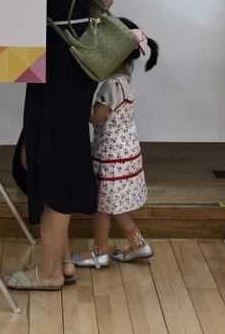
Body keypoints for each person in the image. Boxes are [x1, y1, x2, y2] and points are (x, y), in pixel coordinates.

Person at [5, 0, 114, 291]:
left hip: (53, 65)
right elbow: (106, 1)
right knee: (35, 156)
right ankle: (63, 262)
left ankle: (49, 272)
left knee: (51, 162)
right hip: (75, 65)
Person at [72, 17, 158, 270]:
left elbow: (94, 117)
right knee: (114, 204)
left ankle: (100, 252)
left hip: (111, 155)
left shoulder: (110, 85)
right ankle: (138, 244)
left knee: (104, 206)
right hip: (126, 151)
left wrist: (76, 99)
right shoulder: (128, 81)